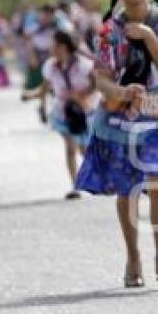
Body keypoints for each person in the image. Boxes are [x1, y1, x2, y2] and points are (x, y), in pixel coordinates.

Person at [75, 0, 158, 288]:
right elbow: (102, 80)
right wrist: (123, 91)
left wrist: (148, 37)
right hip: (119, 117)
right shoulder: (108, 31)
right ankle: (133, 257)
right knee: (127, 189)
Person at [42, 30, 99, 198]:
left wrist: (82, 95)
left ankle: (98, 177)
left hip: (84, 112)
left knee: (85, 149)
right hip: (62, 112)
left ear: (63, 46)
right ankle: (75, 185)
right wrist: (40, 102)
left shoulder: (83, 64)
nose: (52, 48)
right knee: (70, 147)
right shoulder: (50, 66)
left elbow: (97, 83)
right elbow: (45, 87)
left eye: (54, 44)